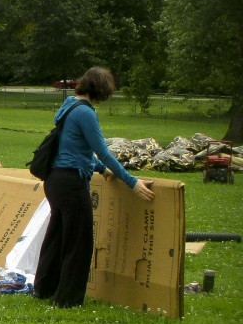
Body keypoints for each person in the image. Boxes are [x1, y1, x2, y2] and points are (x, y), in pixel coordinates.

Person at [34, 66, 155, 307]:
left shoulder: (69, 105)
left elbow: (74, 147)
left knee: (56, 237)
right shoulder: (86, 113)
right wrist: (131, 182)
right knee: (78, 243)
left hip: (55, 180)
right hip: (71, 183)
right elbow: (103, 151)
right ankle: (67, 299)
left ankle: (44, 288)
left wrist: (100, 169)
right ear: (101, 89)